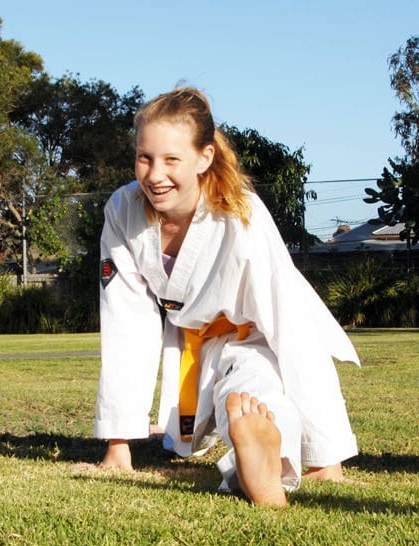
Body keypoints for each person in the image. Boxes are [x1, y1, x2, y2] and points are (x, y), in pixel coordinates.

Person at [93, 87, 359, 507]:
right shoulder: (123, 209)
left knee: (252, 396)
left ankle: (263, 468)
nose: (154, 174)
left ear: (205, 156)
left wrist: (326, 456)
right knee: (230, 404)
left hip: (256, 335)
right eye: (145, 158)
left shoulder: (241, 213)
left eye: (171, 160)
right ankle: (253, 451)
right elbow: (126, 322)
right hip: (192, 346)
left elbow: (288, 319)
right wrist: (118, 444)